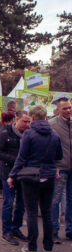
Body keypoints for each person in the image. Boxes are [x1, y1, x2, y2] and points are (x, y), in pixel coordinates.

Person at [8, 106, 63, 252]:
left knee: (31, 212)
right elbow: (59, 156)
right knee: (47, 212)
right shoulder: (54, 134)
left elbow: (21, 157)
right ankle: (48, 247)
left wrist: (12, 175)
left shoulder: (29, 134)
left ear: (32, 117)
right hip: (49, 176)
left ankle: (32, 247)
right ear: (45, 117)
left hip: (31, 176)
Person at [0, 111, 31, 244]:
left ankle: (16, 228)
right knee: (8, 203)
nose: (27, 124)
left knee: (21, 204)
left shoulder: (29, 133)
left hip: (24, 174)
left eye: (29, 121)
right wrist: (16, 160)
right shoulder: (5, 132)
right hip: (8, 172)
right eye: (24, 121)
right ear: (16, 119)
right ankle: (7, 231)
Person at [49, 98, 72, 243]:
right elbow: (48, 148)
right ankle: (53, 230)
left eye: (70, 108)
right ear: (58, 110)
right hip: (60, 168)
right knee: (55, 200)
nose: (68, 110)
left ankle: (70, 231)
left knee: (71, 200)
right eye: (65, 108)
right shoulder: (52, 125)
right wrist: (53, 166)